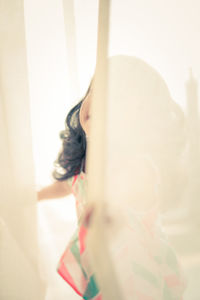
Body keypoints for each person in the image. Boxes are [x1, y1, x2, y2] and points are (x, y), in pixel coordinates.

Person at [38, 56, 187, 299]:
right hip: (101, 263)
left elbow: (131, 194)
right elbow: (68, 186)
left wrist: (110, 210)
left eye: (111, 98)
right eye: (93, 90)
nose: (94, 101)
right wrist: (34, 195)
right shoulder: (85, 160)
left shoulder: (136, 167)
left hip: (134, 266)